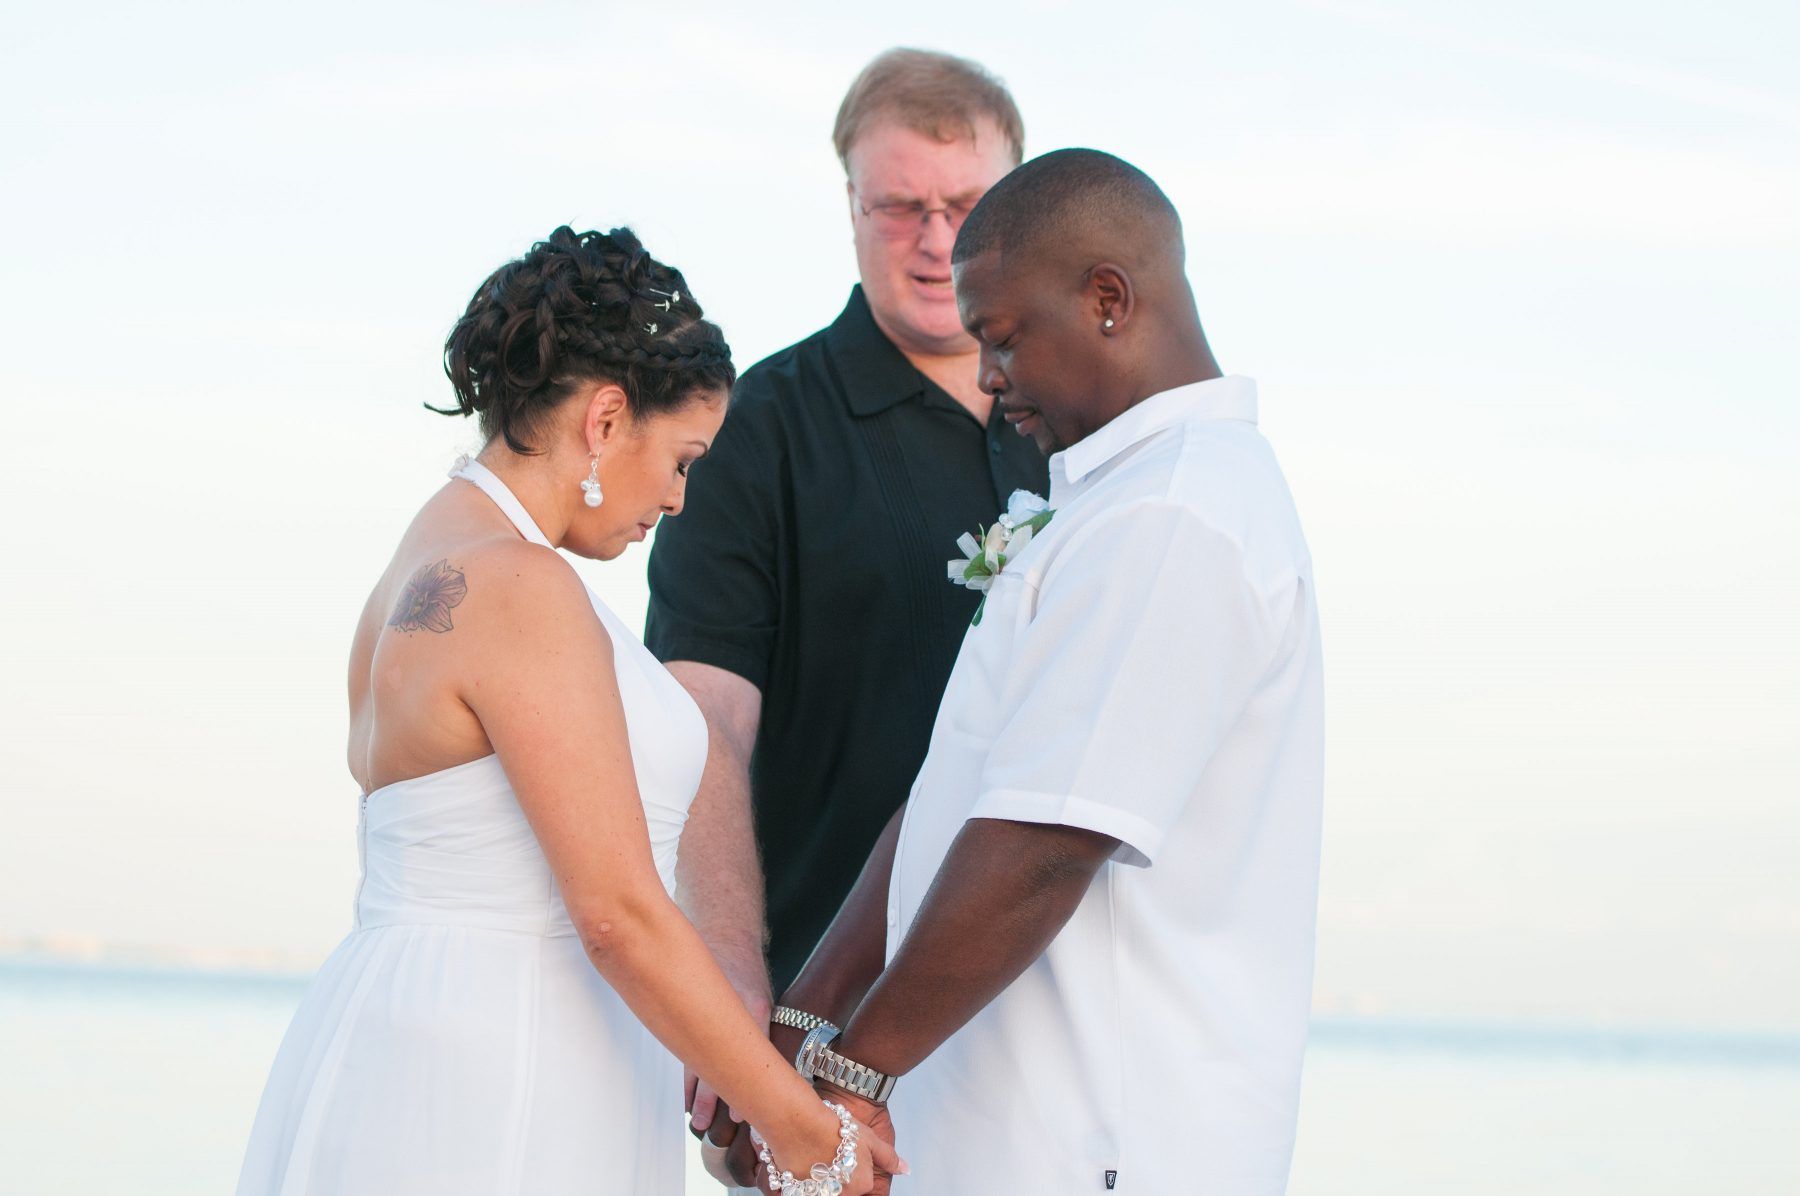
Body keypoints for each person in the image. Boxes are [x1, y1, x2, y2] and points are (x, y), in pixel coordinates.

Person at [234, 227, 898, 1196]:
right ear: (605, 418)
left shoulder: (426, 560)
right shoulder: (520, 586)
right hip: (503, 1058)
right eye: (680, 458)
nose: (677, 498)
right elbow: (620, 912)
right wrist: (805, 1130)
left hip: (414, 1028)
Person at [760, 150, 1326, 1194]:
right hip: (1007, 1134)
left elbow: (1043, 842)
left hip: (1094, 1140)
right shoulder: (1114, 503)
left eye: (1005, 337)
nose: (986, 376)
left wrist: (850, 1076)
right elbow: (960, 793)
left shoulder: (1178, 514)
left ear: (1108, 298)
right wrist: (806, 1012)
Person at [643, 47, 1046, 1147]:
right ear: (851, 205)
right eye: (898, 206)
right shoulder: (756, 429)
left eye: (964, 205)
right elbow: (704, 725)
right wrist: (731, 983)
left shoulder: (1076, 435)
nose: (933, 239)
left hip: (1045, 1033)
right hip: (815, 1038)